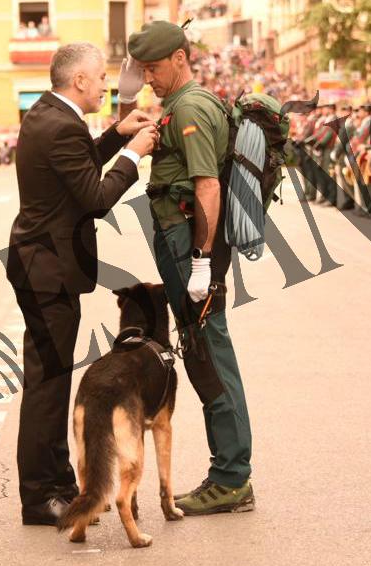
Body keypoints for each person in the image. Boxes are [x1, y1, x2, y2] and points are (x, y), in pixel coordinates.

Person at [7, 42, 157, 526]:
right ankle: (40, 494)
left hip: (41, 265)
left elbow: (77, 164)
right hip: (47, 269)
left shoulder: (49, 114)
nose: (106, 85)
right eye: (100, 78)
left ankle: (54, 482)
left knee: (50, 381)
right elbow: (93, 196)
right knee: (47, 386)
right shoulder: (60, 123)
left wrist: (115, 135)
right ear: (78, 82)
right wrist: (132, 155)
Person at [123, 21, 255, 516]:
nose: (149, 78)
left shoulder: (192, 108)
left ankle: (232, 477)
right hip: (180, 242)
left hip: (188, 245)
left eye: (153, 68)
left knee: (207, 352)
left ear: (180, 58)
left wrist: (201, 262)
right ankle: (231, 472)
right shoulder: (180, 105)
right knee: (205, 349)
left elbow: (207, 187)